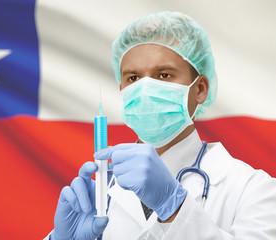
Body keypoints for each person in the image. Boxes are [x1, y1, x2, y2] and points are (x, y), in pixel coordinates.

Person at [45, 11, 276, 239]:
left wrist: (174, 208)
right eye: (133, 78)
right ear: (122, 90)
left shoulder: (254, 190)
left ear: (200, 89)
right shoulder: (100, 195)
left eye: (164, 75)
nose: (145, 89)